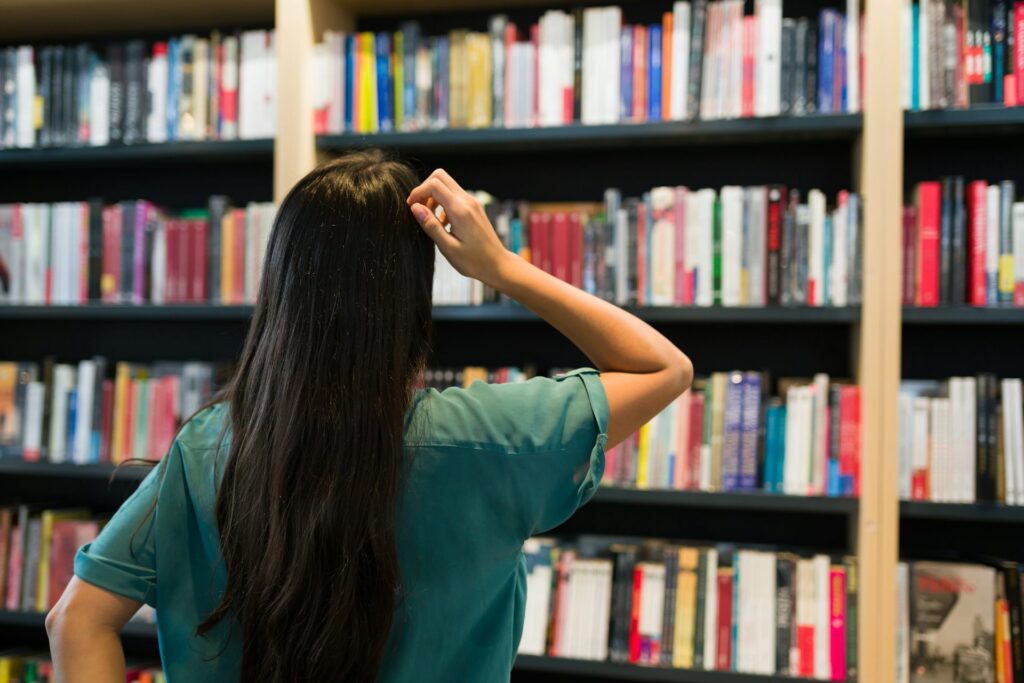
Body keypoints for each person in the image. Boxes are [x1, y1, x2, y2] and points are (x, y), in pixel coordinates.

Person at [45, 150, 692, 682]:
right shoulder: (493, 437)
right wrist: (502, 268)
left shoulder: (207, 447)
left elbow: (75, 619)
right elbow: (664, 368)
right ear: (411, 297)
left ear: (283, 288)